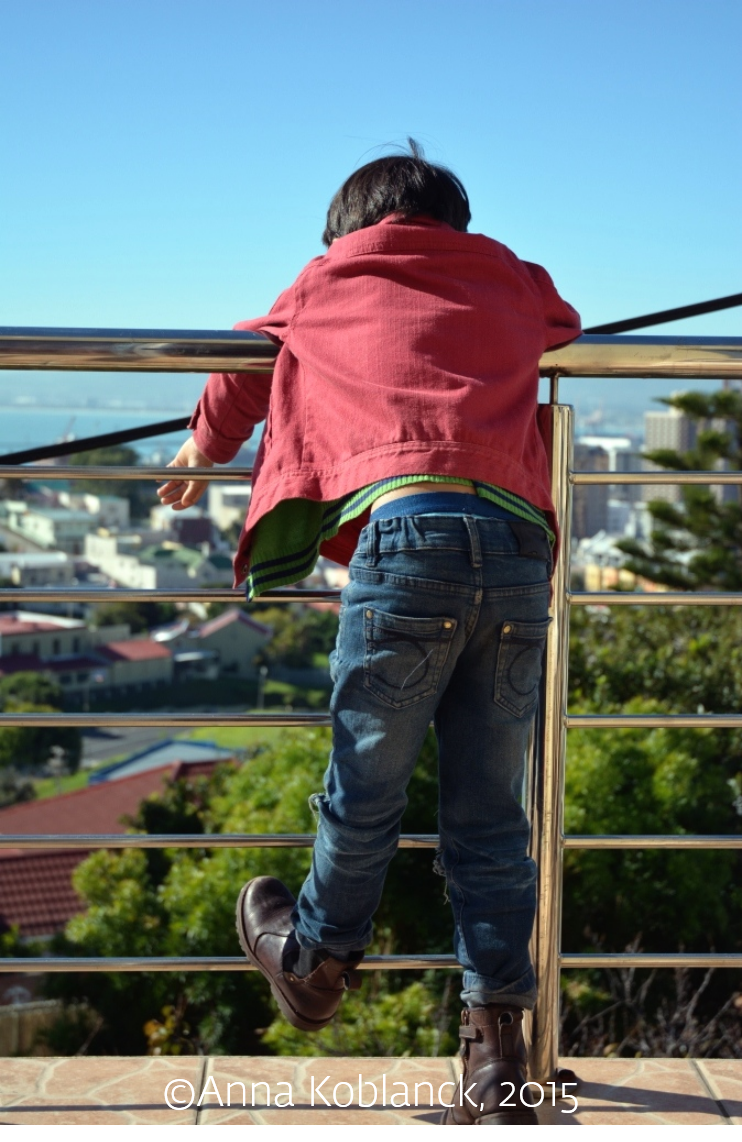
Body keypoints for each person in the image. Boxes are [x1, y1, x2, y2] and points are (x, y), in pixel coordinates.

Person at [158, 141, 580, 1126]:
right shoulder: (510, 278)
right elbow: (562, 321)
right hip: (516, 548)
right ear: (456, 221)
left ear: (349, 230)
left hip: (407, 543)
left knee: (366, 786)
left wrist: (204, 444)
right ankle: (496, 1065)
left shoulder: (327, 280)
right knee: (491, 815)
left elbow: (248, 365)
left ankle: (315, 960)